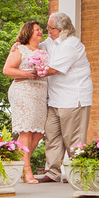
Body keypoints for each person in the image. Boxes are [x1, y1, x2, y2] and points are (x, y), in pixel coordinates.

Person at [36, 12, 93, 183]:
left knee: (73, 137)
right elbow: (38, 47)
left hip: (72, 97)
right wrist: (20, 45)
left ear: (61, 30)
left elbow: (52, 69)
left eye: (50, 28)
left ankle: (79, 173)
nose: (47, 30)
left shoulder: (71, 45)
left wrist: (25, 74)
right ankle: (53, 172)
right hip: (55, 98)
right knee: (52, 135)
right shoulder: (52, 42)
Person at [2, 21, 48, 184]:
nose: (40, 32)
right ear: (28, 32)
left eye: (41, 30)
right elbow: (7, 70)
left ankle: (18, 164)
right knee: (26, 131)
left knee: (39, 132)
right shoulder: (19, 48)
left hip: (40, 94)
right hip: (23, 91)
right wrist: (27, 74)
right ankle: (27, 170)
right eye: (37, 30)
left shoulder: (43, 49)